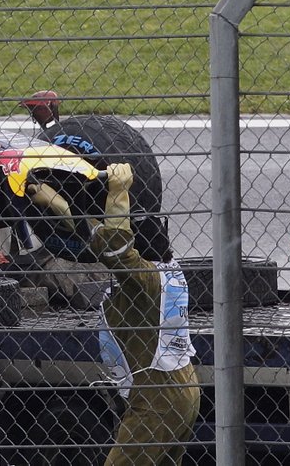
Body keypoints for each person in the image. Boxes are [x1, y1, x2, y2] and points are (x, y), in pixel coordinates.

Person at [91, 163, 200, 465]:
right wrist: (57, 205)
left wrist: (118, 192)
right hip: (181, 387)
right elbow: (100, 236)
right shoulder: (169, 269)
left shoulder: (144, 280)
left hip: (157, 398)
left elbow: (115, 249)